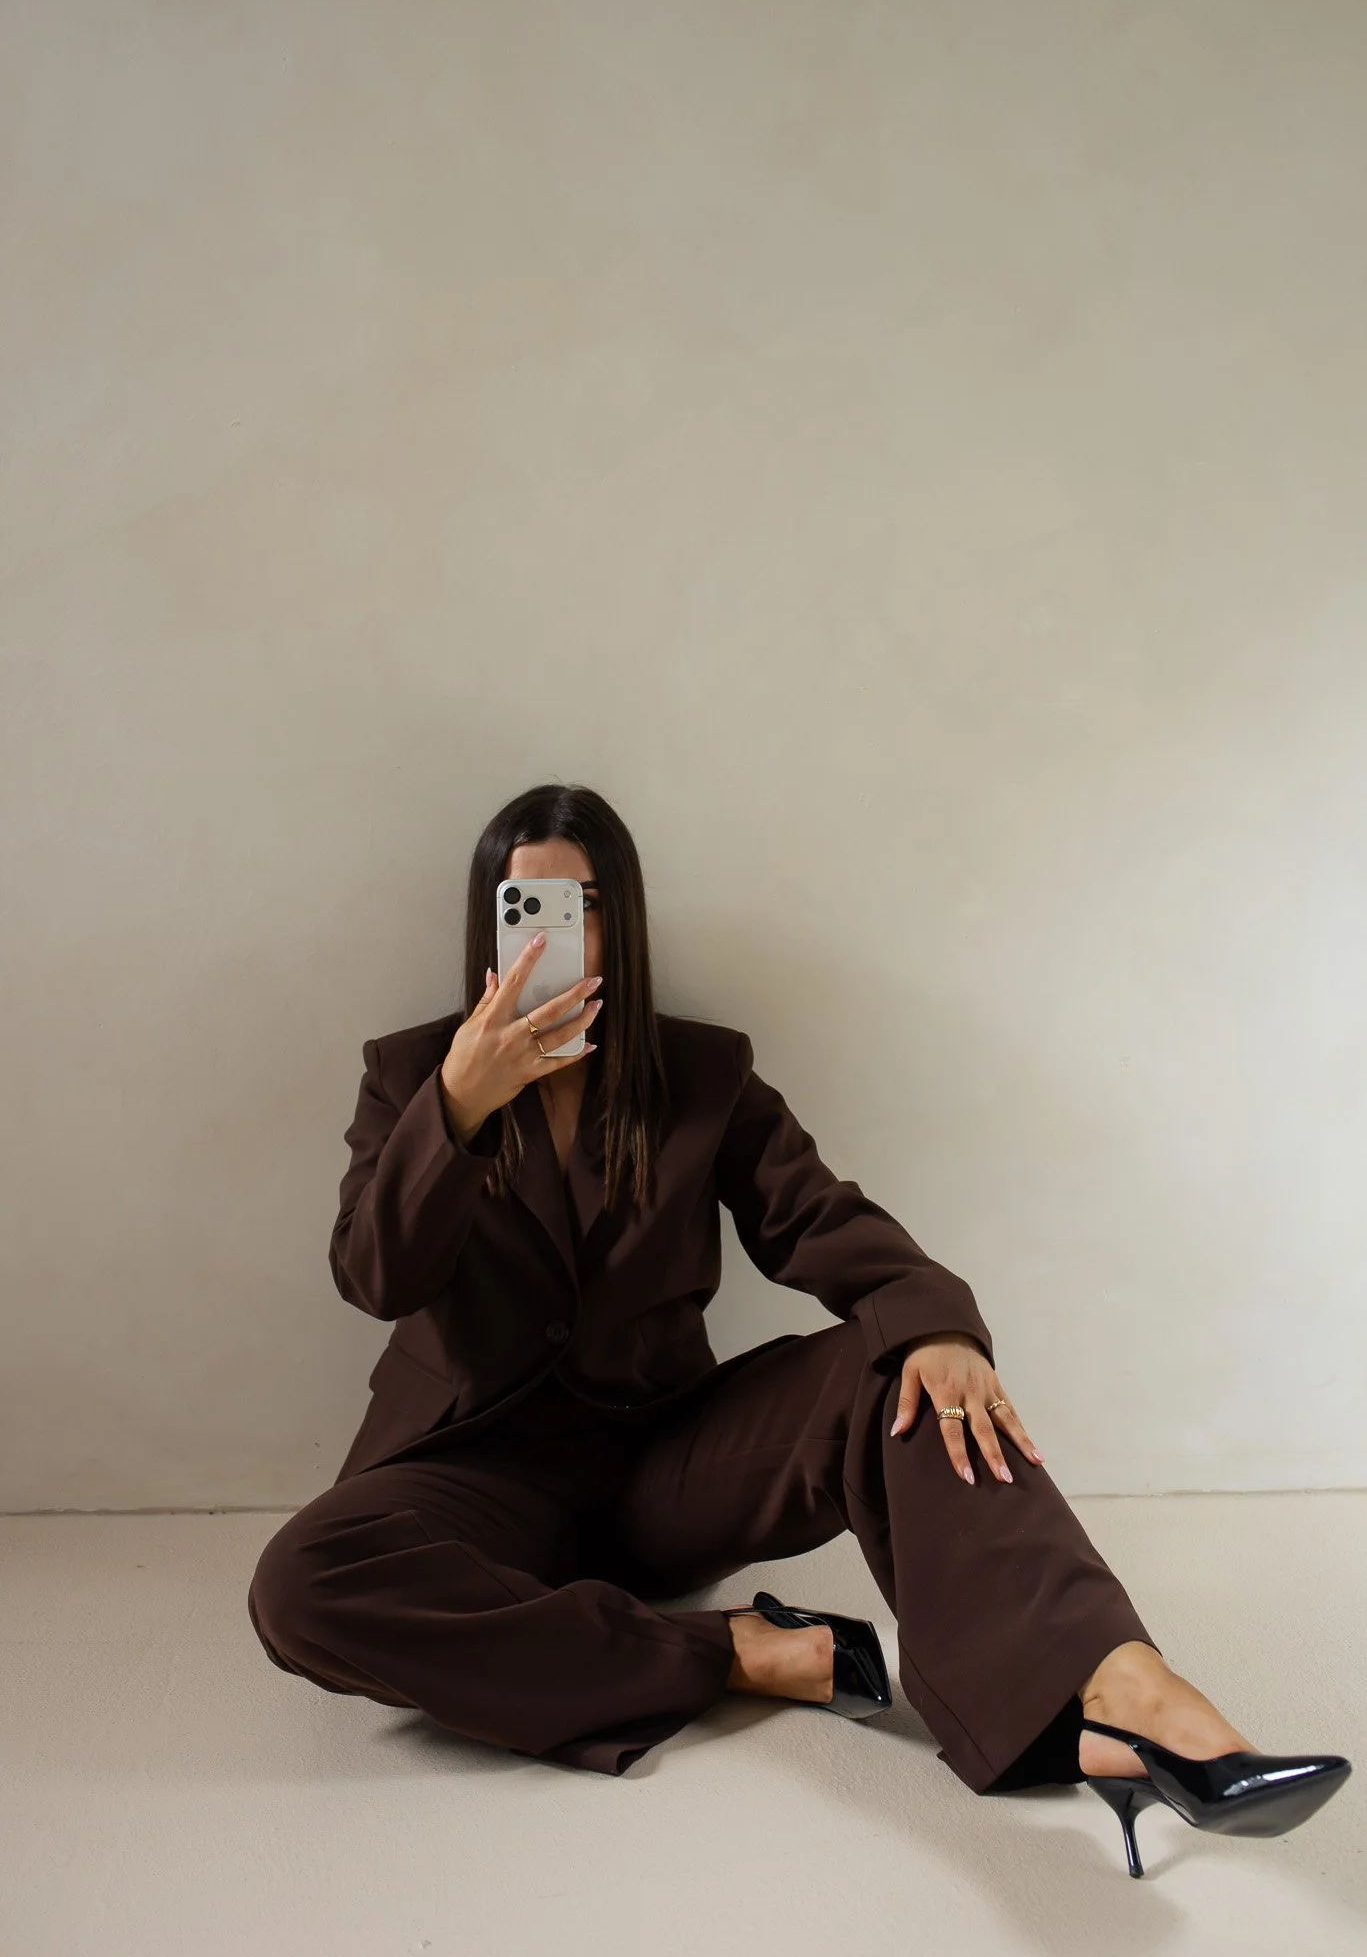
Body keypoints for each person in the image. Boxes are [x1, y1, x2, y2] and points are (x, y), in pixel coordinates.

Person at [248, 783, 1349, 1878]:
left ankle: (1114, 1681)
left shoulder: (700, 1072)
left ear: (620, 919)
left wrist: (932, 1321)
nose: (556, 931)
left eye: (581, 904)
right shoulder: (409, 1074)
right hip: (473, 1474)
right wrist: (458, 1106)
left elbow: (813, 1214)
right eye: (522, 904)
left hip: (663, 1466)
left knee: (900, 1372)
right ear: (486, 922)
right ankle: (732, 1652)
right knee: (300, 1584)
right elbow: (374, 1275)